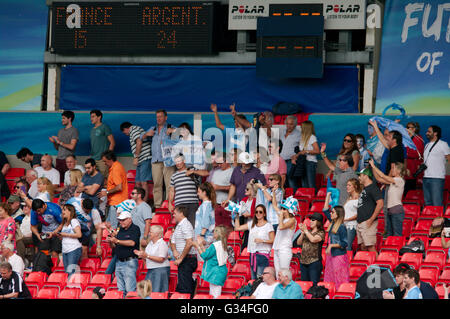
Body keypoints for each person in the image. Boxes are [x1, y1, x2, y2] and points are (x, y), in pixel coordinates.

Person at [142, 109, 176, 209]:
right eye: (157, 117)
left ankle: (167, 205)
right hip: (155, 160)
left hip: (168, 160)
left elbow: (184, 134)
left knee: (169, 185)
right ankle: (158, 206)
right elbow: (141, 137)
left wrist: (174, 131)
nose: (158, 119)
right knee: (157, 184)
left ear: (165, 117)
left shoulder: (170, 127)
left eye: (160, 116)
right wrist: (146, 134)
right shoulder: (153, 129)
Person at [234, 204, 274, 279]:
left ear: (264, 214)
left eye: (260, 212)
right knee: (253, 278)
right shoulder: (252, 224)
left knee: (260, 278)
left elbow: (273, 240)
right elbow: (237, 228)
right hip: (252, 254)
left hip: (263, 254)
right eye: (256, 212)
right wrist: (237, 216)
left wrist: (262, 241)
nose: (258, 214)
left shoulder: (268, 226)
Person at [106, 210, 140, 297]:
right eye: (120, 220)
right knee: (120, 290)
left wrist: (116, 241)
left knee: (129, 290)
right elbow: (114, 246)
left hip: (129, 261)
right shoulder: (120, 229)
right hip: (119, 261)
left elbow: (132, 243)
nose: (121, 222)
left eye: (123, 220)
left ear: (129, 219)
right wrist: (110, 241)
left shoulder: (135, 228)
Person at [369, 159, 406, 237]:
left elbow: (382, 175)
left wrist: (373, 165)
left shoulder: (399, 180)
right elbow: (379, 179)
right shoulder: (393, 181)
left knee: (397, 234)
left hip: (396, 211)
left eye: (393, 168)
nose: (392, 170)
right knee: (390, 234)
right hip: (390, 211)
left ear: (398, 171)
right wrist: (373, 168)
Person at [192, 225, 229, 298]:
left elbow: (205, 256)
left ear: (217, 234)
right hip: (219, 271)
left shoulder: (215, 245)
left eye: (214, 232)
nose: (213, 233)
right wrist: (201, 245)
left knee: (214, 294)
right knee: (215, 293)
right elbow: (208, 253)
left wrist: (198, 245)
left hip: (215, 272)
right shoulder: (221, 243)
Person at [120, 122, 152, 202]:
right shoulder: (134, 131)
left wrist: (136, 157)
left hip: (144, 158)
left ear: (126, 129)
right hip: (140, 160)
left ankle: (144, 203)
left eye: (125, 132)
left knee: (143, 182)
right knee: (137, 182)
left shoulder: (134, 130)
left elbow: (139, 141)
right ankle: (137, 201)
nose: (126, 134)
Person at [170, 205, 197, 298]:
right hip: (184, 259)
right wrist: (174, 251)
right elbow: (172, 241)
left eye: (175, 213)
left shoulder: (185, 225)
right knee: (182, 286)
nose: (173, 215)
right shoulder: (179, 225)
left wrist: (181, 258)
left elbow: (189, 243)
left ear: (181, 213)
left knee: (185, 288)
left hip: (187, 259)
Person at [134, 225, 170, 293]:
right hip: (151, 269)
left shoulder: (162, 244)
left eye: (151, 232)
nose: (149, 233)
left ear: (156, 234)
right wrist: (142, 255)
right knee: (148, 291)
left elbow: (161, 259)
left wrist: (147, 256)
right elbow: (147, 256)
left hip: (160, 270)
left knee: (157, 291)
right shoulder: (150, 244)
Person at [356, 167, 383, 254]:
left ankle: (377, 267)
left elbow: (380, 203)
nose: (358, 178)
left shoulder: (373, 188)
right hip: (361, 222)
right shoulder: (365, 188)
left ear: (365, 176)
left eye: (360, 176)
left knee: (370, 247)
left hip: (368, 222)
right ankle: (369, 266)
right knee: (363, 246)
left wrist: (371, 220)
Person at [98, 150, 128, 229]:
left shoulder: (116, 168)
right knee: (108, 226)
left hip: (117, 203)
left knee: (112, 228)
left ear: (110, 159)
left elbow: (119, 187)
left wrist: (106, 192)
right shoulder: (115, 167)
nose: (104, 163)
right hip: (115, 202)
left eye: (105, 161)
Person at [323, 204, 350, 290]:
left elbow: (345, 243)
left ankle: (340, 293)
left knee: (339, 277)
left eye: (333, 212)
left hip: (338, 255)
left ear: (338, 214)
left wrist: (331, 245)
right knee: (330, 276)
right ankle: (331, 293)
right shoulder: (333, 223)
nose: (331, 213)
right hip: (331, 255)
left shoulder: (341, 227)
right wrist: (328, 195)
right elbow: (325, 210)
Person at [168, 154, 200, 227]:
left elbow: (206, 173)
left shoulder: (192, 171)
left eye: (179, 161)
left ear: (184, 161)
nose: (178, 163)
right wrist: (170, 203)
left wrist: (193, 172)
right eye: (176, 162)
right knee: (180, 226)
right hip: (179, 204)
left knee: (192, 226)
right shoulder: (174, 175)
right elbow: (172, 191)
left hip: (192, 203)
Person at [270, 192, 297, 278]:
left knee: (285, 273)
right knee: (278, 273)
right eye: (282, 208)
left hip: (285, 249)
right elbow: (274, 205)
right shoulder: (284, 218)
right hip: (277, 248)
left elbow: (281, 227)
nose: (282, 211)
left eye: (284, 209)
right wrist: (274, 192)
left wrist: (280, 217)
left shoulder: (292, 220)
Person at [422, 125, 450, 207]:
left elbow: (449, 158)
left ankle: (439, 219)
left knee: (436, 203)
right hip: (426, 176)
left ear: (435, 133)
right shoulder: (426, 145)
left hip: (437, 177)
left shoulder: (443, 144)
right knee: (427, 203)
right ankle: (429, 219)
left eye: (429, 131)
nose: (427, 133)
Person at [49, 110, 79, 184]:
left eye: (64, 118)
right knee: (58, 182)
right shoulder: (60, 131)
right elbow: (57, 148)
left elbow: (72, 146)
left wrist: (59, 142)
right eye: (62, 118)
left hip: (68, 160)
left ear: (70, 119)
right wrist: (54, 142)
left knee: (68, 182)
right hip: (59, 160)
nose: (62, 120)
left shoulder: (74, 131)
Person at [296, 212, 325, 285]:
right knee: (304, 284)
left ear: (318, 222)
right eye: (310, 220)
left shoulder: (321, 232)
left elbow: (313, 240)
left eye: (313, 220)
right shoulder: (307, 231)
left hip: (314, 262)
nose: (310, 221)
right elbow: (298, 243)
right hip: (303, 262)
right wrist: (302, 233)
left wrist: (305, 231)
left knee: (313, 284)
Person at [54, 204, 82, 278]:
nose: (63, 211)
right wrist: (61, 236)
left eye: (64, 209)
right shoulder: (64, 223)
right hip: (65, 249)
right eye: (62, 210)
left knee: (71, 271)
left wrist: (65, 234)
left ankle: (71, 288)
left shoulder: (74, 221)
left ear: (70, 211)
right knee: (67, 271)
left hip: (73, 248)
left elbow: (79, 234)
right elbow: (66, 236)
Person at [293, 120, 320, 189]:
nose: (301, 128)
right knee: (304, 184)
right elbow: (301, 151)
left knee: (311, 184)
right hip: (303, 162)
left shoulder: (312, 137)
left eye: (302, 127)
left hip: (310, 162)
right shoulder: (302, 137)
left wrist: (306, 151)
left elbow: (317, 151)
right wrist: (296, 156)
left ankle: (313, 198)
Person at [89, 109, 116, 179]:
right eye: (91, 117)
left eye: (93, 116)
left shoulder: (104, 127)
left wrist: (108, 157)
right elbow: (94, 144)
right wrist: (90, 156)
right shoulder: (92, 130)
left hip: (102, 159)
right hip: (93, 159)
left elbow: (112, 142)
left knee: (104, 179)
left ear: (99, 117)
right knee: (94, 179)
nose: (91, 118)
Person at [280, 115, 301, 192]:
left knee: (291, 179)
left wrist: (296, 155)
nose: (289, 126)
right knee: (281, 180)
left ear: (295, 124)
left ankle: (294, 198)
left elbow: (303, 148)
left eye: (291, 124)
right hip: (281, 160)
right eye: (287, 123)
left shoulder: (299, 134)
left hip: (290, 161)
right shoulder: (282, 132)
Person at [194, 182, 216, 250]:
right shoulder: (207, 204)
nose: (197, 194)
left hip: (204, 237)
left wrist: (202, 236)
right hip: (204, 236)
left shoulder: (206, 205)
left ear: (204, 192)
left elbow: (206, 221)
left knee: (203, 258)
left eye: (199, 192)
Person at [404, 122, 424, 192]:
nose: (408, 129)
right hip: (406, 167)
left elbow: (418, 154)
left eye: (410, 127)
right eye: (407, 127)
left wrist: (405, 153)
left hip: (413, 167)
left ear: (415, 129)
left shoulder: (418, 139)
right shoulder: (405, 138)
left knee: (410, 188)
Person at [342, 178, 361, 251]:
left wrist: (346, 219)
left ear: (355, 186)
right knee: (344, 245)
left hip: (352, 225)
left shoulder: (359, 198)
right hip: (345, 224)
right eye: (347, 185)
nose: (347, 187)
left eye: (349, 185)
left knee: (348, 246)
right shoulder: (349, 198)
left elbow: (359, 214)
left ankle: (348, 261)